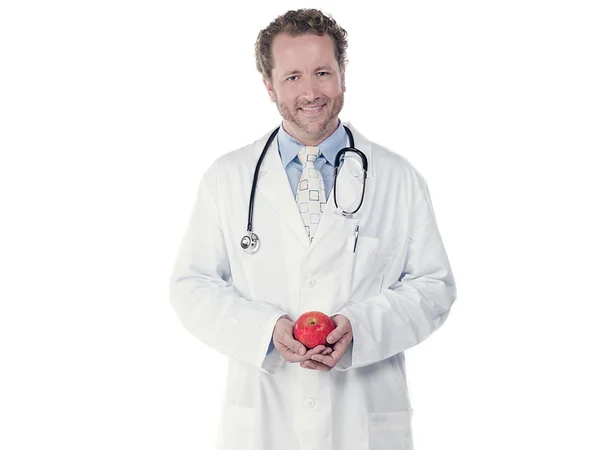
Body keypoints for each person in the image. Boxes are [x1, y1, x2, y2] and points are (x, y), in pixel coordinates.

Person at [169, 8, 456, 450]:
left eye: (323, 72)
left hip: (362, 421)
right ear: (269, 85)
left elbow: (434, 285)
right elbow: (191, 286)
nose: (310, 91)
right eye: (292, 77)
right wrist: (264, 329)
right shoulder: (227, 179)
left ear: (343, 74)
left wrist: (360, 327)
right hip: (266, 418)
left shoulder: (398, 178)